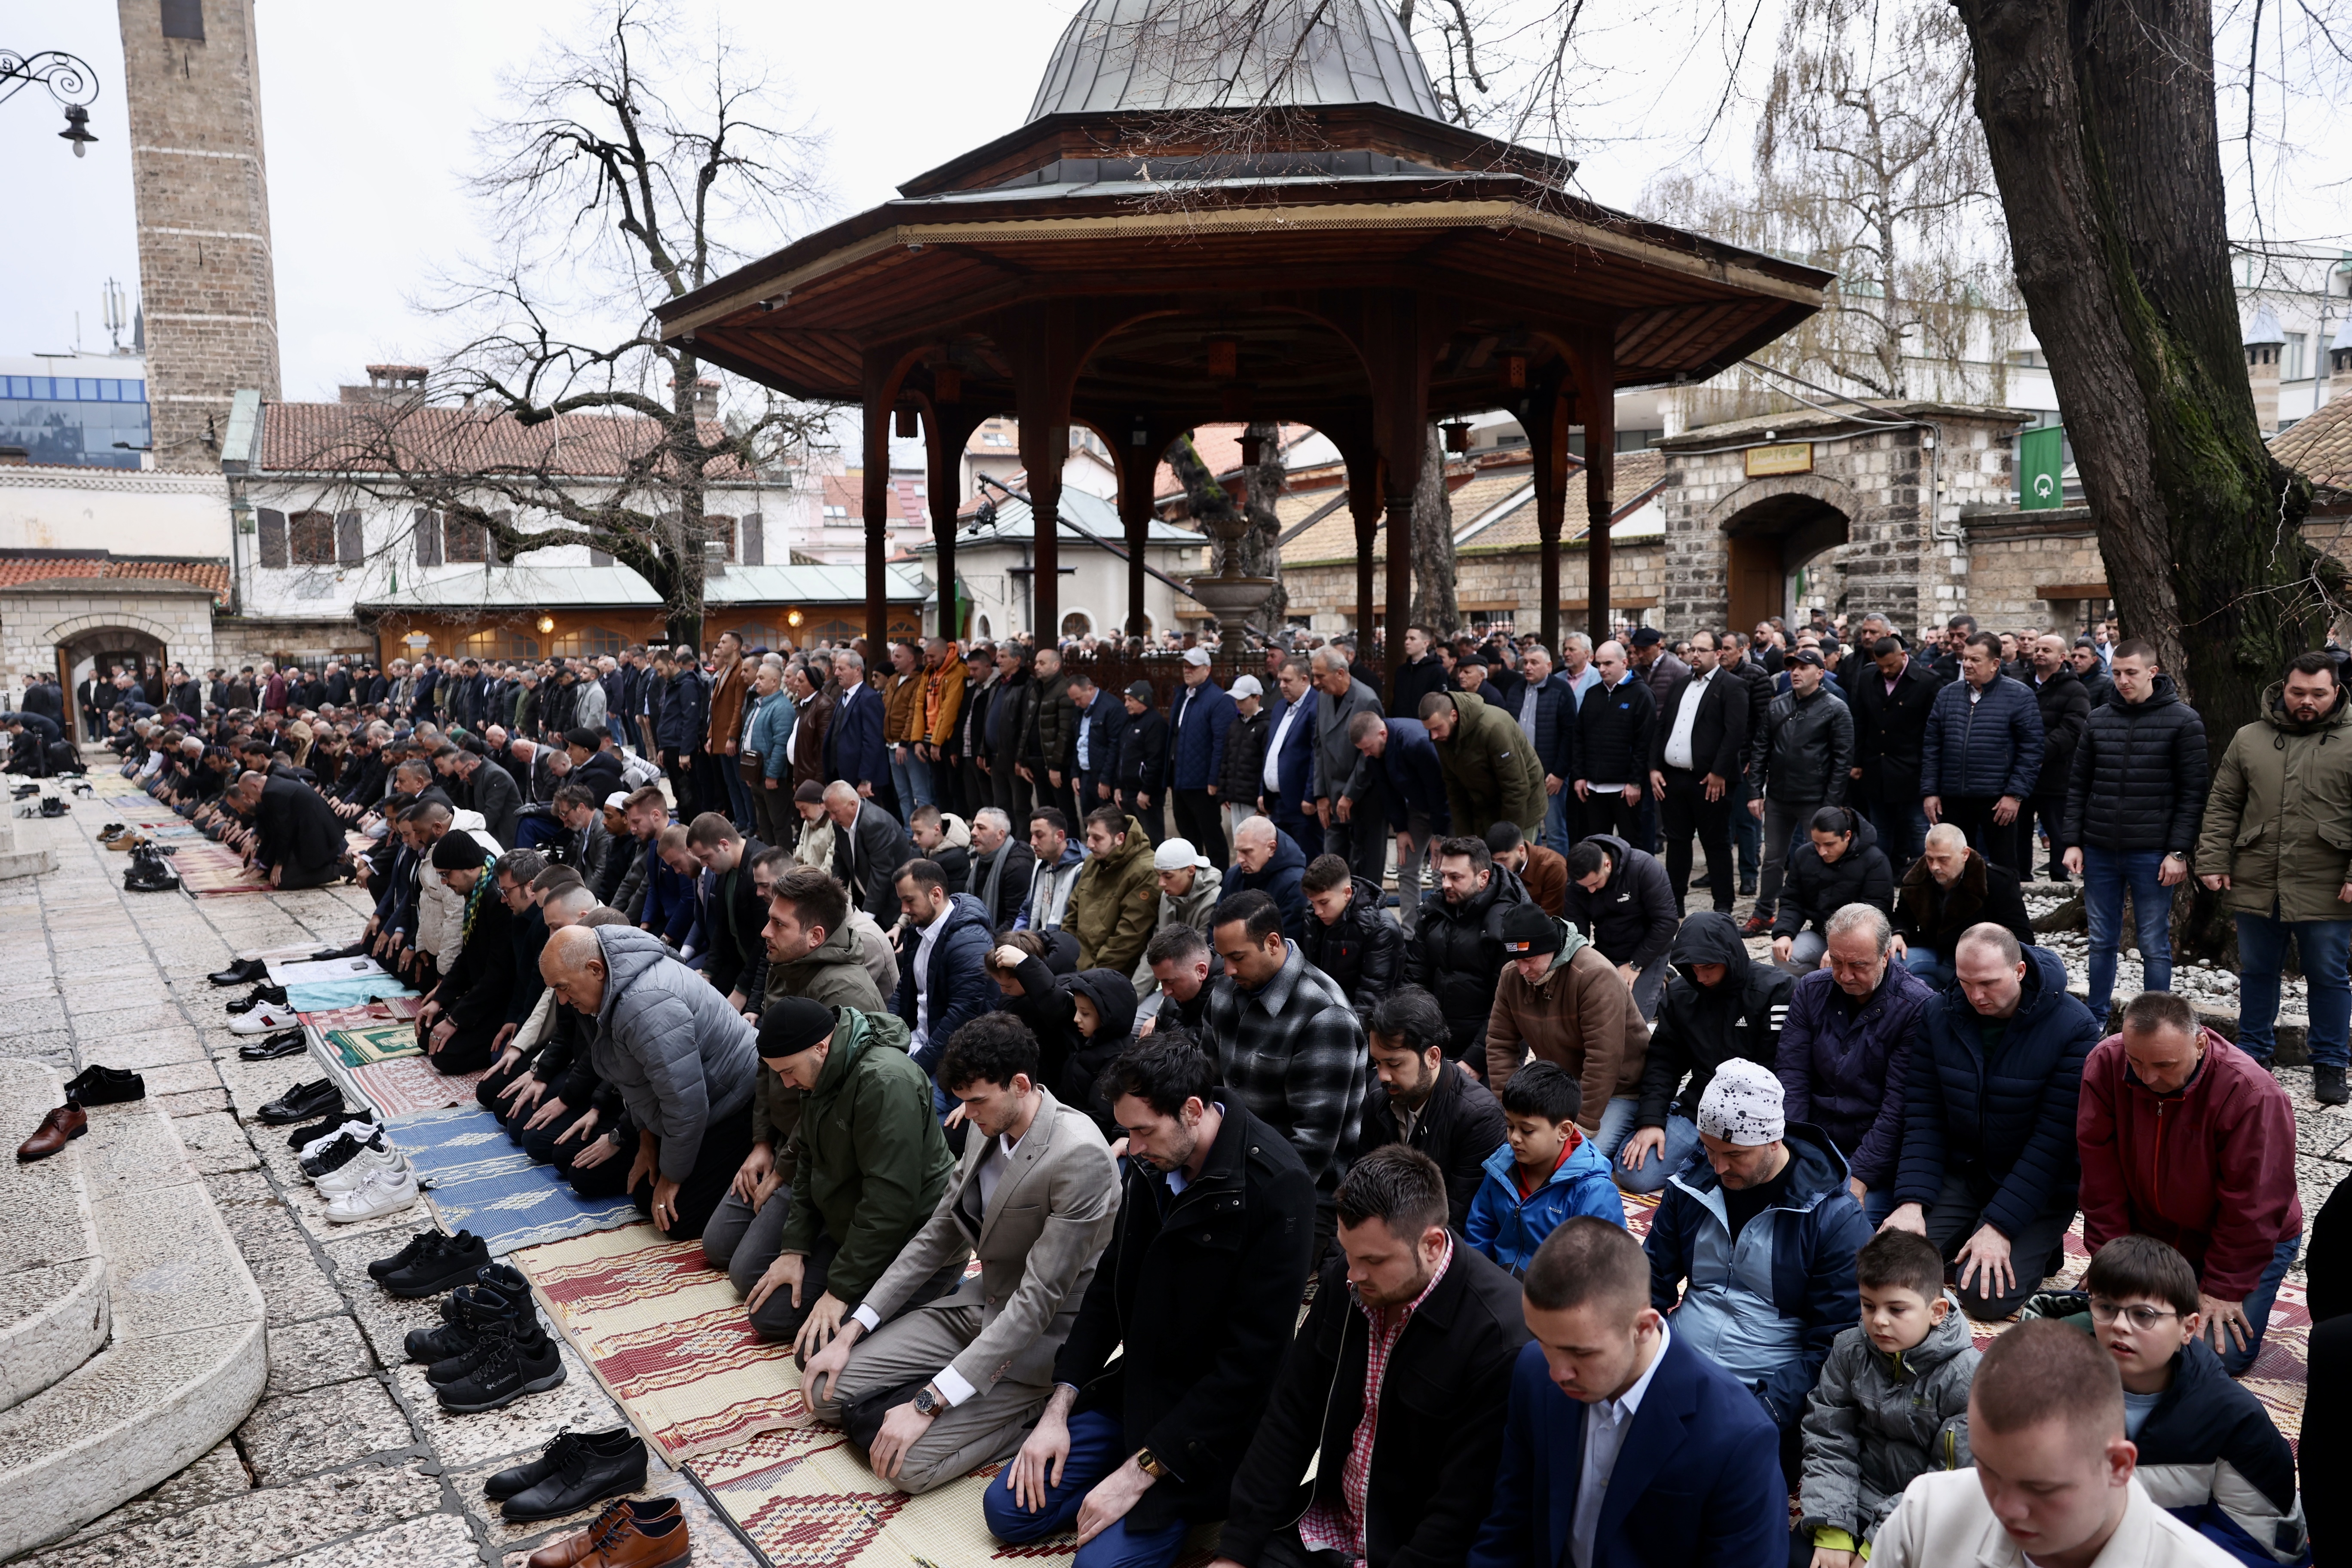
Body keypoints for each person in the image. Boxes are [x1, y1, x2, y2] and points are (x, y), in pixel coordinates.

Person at [987, 1035, 1315, 1568]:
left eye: (1144, 1131)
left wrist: (1141, 1470)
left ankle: (1164, 1503)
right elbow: (1108, 1285)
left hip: (1207, 1428)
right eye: (1127, 1132)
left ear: (1191, 1111)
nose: (1133, 1148)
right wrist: (1059, 1406)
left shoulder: (1278, 1187)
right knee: (1008, 1511)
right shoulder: (1153, 1163)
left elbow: (1250, 1367)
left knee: (1096, 1567)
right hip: (1136, 1388)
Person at [799, 1013, 1119, 1496]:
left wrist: (928, 1402)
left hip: (1038, 1339)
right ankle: (954, 1386)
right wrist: (854, 1328)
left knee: (904, 1468)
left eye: (976, 1101)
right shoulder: (983, 1125)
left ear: (1020, 1084)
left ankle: (1031, 1411)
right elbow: (938, 1235)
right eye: (963, 1101)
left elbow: (1037, 1301)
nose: (967, 1113)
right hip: (979, 1303)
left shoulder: (1081, 1156)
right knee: (824, 1391)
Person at [1213, 1146, 1529, 1568]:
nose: (1352, 1274)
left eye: (1373, 1261)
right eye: (1348, 1253)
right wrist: (1236, 1548)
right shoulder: (1348, 1286)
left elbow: (1461, 1509)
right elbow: (1290, 1417)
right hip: (1324, 1530)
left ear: (1432, 1244)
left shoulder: (1498, 1339)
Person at [1468, 1216, 1788, 1568]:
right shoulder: (1534, 1373)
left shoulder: (1737, 1437)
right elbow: (1509, 1525)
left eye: (1582, 1352)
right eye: (1544, 1342)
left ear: (1643, 1327)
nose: (1557, 1372)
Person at [1869, 1319, 2237, 1568]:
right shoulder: (1926, 1513)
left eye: (2040, 1487)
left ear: (2119, 1466)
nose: (2006, 1509)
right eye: (1986, 1468)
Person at [703, 997, 960, 1345]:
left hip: (913, 1238)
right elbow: (809, 1162)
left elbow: (890, 1202)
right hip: (855, 1222)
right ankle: (862, 1285)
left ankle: (937, 1297)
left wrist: (838, 1291)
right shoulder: (820, 1073)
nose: (788, 1084)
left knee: (814, 1355)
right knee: (768, 1313)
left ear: (822, 1047)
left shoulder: (885, 1082)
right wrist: (794, 1248)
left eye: (789, 1072)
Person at [1644, 1058, 1869, 1455]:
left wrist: (1765, 1410)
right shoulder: (1691, 1183)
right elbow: (1651, 1278)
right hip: (1677, 1364)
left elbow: (1836, 1343)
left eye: (1734, 1154)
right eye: (1709, 1149)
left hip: (1766, 1393)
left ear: (1773, 1141)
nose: (1718, 1166)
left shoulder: (1833, 1219)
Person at [2076, 991, 2303, 1376]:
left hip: (2239, 1240)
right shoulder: (2106, 1062)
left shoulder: (2252, 1093)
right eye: (2137, 1062)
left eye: (2164, 1065)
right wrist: (2110, 1256)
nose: (2148, 1079)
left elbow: (2254, 1206)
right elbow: (2100, 1178)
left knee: (2216, 1355)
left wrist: (2222, 1288)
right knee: (2094, 1325)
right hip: (2150, 1231)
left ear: (2200, 1044)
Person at [1886, 924, 2100, 1320]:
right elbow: (1924, 1115)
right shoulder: (1940, 1013)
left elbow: (2053, 1144)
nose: (1976, 996)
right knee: (1892, 1269)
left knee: (1983, 1297)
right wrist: (1911, 1202)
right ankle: (1986, 1230)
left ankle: (2031, 1243)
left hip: (2039, 1184)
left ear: (2019, 971)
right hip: (1966, 1171)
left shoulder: (2075, 1027)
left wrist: (1999, 1226)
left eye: (1988, 983)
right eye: (1966, 983)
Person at [2051, 1235, 2308, 1563]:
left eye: (2143, 1315)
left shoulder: (2234, 1418)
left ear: (2188, 1329)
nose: (2119, 1325)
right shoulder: (2047, 1383)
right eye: (2106, 1308)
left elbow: (2256, 1541)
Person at [2197, 650, 2352, 1102]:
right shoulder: (2250, 739)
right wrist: (2212, 859)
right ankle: (2252, 1057)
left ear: (2336, 691)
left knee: (2328, 974)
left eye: (2318, 694)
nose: (2307, 701)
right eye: (2298, 692)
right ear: (2282, 689)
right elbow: (2224, 803)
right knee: (2258, 972)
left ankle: (2330, 1064)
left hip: (2328, 884)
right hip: (2259, 877)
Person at [540, 924, 758, 1240]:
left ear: (595, 969)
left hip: (736, 1102)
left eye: (563, 987)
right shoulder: (610, 986)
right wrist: (646, 1141)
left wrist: (672, 1176)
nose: (561, 1000)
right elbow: (636, 1079)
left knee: (674, 1217)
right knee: (596, 1177)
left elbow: (687, 1104)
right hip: (687, 1106)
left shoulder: (644, 1003)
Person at [1202, 890, 1373, 1263]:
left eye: (1238, 958)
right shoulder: (1225, 992)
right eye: (1222, 958)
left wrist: (1236, 1196)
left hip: (1303, 1193)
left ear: (1273, 943)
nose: (1228, 970)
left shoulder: (1325, 1015)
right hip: (1231, 1169)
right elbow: (1205, 1088)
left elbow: (1311, 1148)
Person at [1797, 1226, 1979, 1565]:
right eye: (1868, 1305)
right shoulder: (1849, 1351)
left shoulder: (1968, 1380)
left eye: (1896, 1310)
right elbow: (1827, 1437)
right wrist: (1833, 1529)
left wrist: (1878, 1546)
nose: (1878, 1321)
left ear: (1937, 1311)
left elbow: (1947, 1483)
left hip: (1923, 1519)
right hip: (1855, 1497)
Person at [2061, 639, 2209, 1027]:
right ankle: (2095, 1020)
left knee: (2154, 944)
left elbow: (2193, 793)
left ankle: (2156, 1024)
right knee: (2101, 941)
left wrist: (2179, 851)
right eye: (2117, 673)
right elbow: (2078, 784)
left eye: (2131, 673)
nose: (2123, 681)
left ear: (2152, 673)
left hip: (2152, 850)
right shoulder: (2099, 718)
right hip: (2100, 848)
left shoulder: (2183, 721)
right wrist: (2073, 841)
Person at [1616, 910, 1795, 1196]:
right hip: (1699, 1108)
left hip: (1754, 1117)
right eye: (1693, 968)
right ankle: (1705, 1163)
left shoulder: (1776, 989)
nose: (1701, 976)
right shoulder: (1681, 993)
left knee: (1757, 1181)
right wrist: (1651, 1121)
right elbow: (1664, 1060)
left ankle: (1710, 1167)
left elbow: (1781, 1070)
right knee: (1635, 1173)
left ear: (1730, 956)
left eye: (1709, 966)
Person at [1776, 903, 1932, 1227]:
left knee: (1839, 1225)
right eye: (1836, 962)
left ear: (1886, 956)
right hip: (1818, 1137)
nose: (1845, 976)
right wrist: (1794, 1152)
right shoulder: (1811, 989)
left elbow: (1898, 1108)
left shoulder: (1917, 1007)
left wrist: (1860, 1177)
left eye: (1859, 965)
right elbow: (1792, 1077)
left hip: (1878, 1153)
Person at [1484, 896, 1649, 1159]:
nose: (1523, 969)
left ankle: (1633, 1126)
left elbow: (1604, 1059)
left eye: (1530, 959)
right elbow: (1499, 1044)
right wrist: (1511, 1111)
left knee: (1572, 1159)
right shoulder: (1512, 976)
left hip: (1619, 1089)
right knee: (1510, 1148)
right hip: (1560, 1087)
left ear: (1551, 948)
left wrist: (1581, 1125)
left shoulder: (1595, 975)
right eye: (1517, 959)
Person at [1359, 985, 1507, 1231]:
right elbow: (1361, 1190)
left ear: (1433, 1057)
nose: (1383, 1075)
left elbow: (1459, 1220)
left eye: (1394, 1063)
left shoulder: (1479, 1117)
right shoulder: (1379, 1101)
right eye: (1377, 1063)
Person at [1465, 1060, 1625, 1274]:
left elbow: (1602, 1269)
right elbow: (1481, 1228)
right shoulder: (1501, 1166)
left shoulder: (1592, 1191)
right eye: (1510, 1126)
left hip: (1553, 1300)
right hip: (1498, 1285)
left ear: (1564, 1131)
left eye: (1528, 1130)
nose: (1515, 1138)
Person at [1748, 647, 1855, 937]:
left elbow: (1843, 759)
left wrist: (1830, 806)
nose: (1795, 672)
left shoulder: (1836, 708)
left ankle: (1821, 917)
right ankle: (1764, 913)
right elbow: (1761, 749)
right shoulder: (1778, 705)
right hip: (1779, 797)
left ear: (1820, 673)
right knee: (1772, 858)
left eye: (1803, 668)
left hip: (1815, 799)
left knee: (1820, 859)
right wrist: (1755, 791)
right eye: (1792, 668)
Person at [1920, 631, 2046, 879]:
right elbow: (1932, 746)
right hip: (1954, 797)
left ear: (1995, 664)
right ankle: (1962, 916)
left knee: (2004, 868)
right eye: (1966, 659)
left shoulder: (2019, 696)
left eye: (1975, 660)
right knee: (1955, 866)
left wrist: (2015, 794)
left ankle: (2006, 917)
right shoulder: (1948, 695)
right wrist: (1930, 792)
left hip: (1998, 800)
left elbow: (2032, 749)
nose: (1967, 664)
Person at [1402, 833, 1531, 1065]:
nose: (1445, 885)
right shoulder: (1432, 912)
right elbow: (1415, 981)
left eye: (1455, 877)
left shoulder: (1510, 922)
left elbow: (1509, 1004)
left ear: (1483, 878)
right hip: (1436, 1043)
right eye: (1443, 876)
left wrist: (1473, 1061)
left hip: (1493, 1049)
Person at [1648, 630, 1748, 913]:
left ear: (1718, 654)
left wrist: (1719, 772)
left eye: (1702, 650)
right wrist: (1654, 767)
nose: (1695, 655)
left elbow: (1734, 735)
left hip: (1709, 780)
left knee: (1716, 844)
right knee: (1677, 843)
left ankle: (1723, 905)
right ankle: (1675, 902)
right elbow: (1663, 727)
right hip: (1674, 778)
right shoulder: (1681, 685)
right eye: (1692, 649)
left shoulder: (1732, 686)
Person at [889, 859, 998, 1084]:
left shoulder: (969, 944)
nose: (904, 910)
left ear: (936, 895)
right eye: (901, 901)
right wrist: (887, 1036)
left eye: (909, 900)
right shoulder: (917, 931)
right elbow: (904, 989)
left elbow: (959, 1021)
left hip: (953, 1064)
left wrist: (915, 1070)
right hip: (917, 1045)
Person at [1892, 823, 2036, 988]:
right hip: (1934, 953)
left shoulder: (1996, 882)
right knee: (1894, 963)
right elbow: (1903, 916)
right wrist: (1898, 934)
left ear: (1965, 854)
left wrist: (1991, 958)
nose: (1935, 867)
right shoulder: (1915, 876)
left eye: (1943, 860)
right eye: (1930, 859)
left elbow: (2022, 936)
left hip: (1979, 965)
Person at [1561, 833, 1680, 1021]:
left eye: (1594, 883)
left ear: (1607, 865)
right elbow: (1576, 932)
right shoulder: (1578, 884)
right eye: (1586, 887)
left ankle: (1662, 982)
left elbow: (1667, 922)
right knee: (1585, 1012)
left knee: (1630, 1021)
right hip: (1607, 949)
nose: (1591, 890)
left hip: (1648, 950)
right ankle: (1659, 986)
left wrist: (1635, 965)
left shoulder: (1644, 868)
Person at [1850, 633, 1943, 868]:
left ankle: (1924, 878)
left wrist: (1929, 772)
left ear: (1903, 656)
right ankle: (1879, 877)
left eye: (1891, 665)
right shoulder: (1867, 677)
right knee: (1879, 829)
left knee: (1916, 828)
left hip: (1912, 770)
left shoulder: (1927, 681)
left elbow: (1933, 732)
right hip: (1876, 768)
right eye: (1881, 666)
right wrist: (1857, 762)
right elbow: (1860, 722)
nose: (1885, 671)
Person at [1351, 710, 1450, 931]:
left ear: (1383, 734)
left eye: (1368, 748)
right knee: (1406, 867)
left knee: (1440, 869)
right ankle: (1410, 932)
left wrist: (1440, 835)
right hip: (1416, 808)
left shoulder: (1416, 742)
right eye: (1362, 750)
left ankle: (1440, 929)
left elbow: (1439, 791)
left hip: (1445, 810)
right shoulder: (1375, 753)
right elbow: (1388, 791)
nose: (1366, 754)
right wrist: (1402, 829)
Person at [1771, 805, 1895, 971]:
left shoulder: (1875, 861)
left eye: (1829, 844)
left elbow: (1876, 912)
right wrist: (1784, 933)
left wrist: (1841, 948)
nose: (1822, 852)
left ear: (1847, 836)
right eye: (1816, 844)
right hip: (1821, 934)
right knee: (1783, 955)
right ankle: (1814, 991)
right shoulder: (1804, 855)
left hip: (1861, 941)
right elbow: (1793, 900)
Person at [1419, 686, 1546, 844]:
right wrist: (1465, 840)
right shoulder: (1442, 737)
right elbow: (1454, 789)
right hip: (1485, 803)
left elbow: (1516, 788)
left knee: (1511, 860)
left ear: (1454, 716)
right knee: (1478, 858)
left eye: (1437, 728)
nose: (1433, 736)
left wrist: (1507, 840)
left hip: (1523, 802)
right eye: (1429, 730)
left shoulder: (1494, 728)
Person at [2021, 633, 2093, 882]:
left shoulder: (2075, 690)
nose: (2039, 653)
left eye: (2046, 650)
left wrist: (2038, 753)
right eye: (2037, 649)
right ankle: (2021, 876)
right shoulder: (2021, 682)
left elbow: (2073, 728)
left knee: (2057, 829)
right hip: (2022, 773)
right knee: (2019, 829)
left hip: (2056, 773)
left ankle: (2059, 878)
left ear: (2062, 657)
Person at [1292, 851, 1403, 1006]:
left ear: (1347, 893)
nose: (1318, 911)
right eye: (1313, 903)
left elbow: (1372, 998)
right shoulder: (1313, 919)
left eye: (1324, 902)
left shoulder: (1380, 929)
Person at [687, 812, 772, 1011]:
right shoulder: (724, 870)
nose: (704, 866)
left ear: (724, 844)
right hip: (739, 964)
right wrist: (709, 970)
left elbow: (765, 942)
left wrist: (742, 989)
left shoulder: (760, 870)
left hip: (762, 974)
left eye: (706, 857)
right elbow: (723, 927)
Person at [1574, 640, 1654, 842]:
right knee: (1597, 847)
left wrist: (1635, 782)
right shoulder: (1593, 694)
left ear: (1624, 662)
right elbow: (1580, 737)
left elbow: (1644, 743)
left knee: (1632, 845)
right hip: (1593, 786)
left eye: (1608, 663)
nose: (1602, 669)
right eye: (1598, 664)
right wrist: (1579, 775)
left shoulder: (1641, 694)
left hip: (1625, 789)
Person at [1066, 807, 1159, 978]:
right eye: (1089, 836)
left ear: (1120, 838)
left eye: (1097, 838)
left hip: (1112, 974)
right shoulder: (1092, 861)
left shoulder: (1145, 871)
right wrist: (1066, 961)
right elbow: (1071, 915)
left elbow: (1127, 938)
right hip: (1076, 966)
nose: (1089, 844)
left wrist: (1090, 977)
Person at [1163, 649, 1236, 864]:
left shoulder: (1218, 700)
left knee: (1212, 837)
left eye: (1193, 667)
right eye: (1185, 666)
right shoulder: (1183, 696)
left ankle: (1220, 883)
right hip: (1181, 780)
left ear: (1207, 670)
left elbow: (1221, 744)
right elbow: (1175, 737)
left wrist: (1214, 780)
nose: (1187, 671)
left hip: (1203, 784)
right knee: (1188, 837)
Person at [1130, 837, 1223, 998]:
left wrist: (1162, 1011)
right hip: (1167, 981)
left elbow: (1198, 961)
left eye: (1168, 876)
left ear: (1191, 870)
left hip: (1195, 989)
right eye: (1159, 875)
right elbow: (1154, 951)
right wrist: (1132, 997)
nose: (1161, 883)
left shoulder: (1214, 900)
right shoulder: (1167, 897)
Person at [231, 769, 353, 889]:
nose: (247, 798)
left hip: (319, 839)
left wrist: (279, 863)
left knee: (283, 880)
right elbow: (271, 832)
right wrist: (259, 863)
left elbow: (283, 832)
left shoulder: (271, 794)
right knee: (268, 871)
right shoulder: (271, 785)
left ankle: (340, 869)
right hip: (308, 834)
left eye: (246, 793)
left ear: (254, 786)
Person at [1257, 658, 1321, 857]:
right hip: (1277, 802)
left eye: (1287, 680)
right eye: (1280, 680)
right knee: (1281, 858)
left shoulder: (1316, 706)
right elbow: (1271, 752)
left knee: (1308, 859)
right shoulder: (1280, 708)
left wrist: (1311, 796)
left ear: (1304, 680)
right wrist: (1263, 790)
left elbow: (1316, 756)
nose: (1282, 685)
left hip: (1301, 803)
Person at [826, 778, 914, 918]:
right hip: (865, 898)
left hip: (893, 905)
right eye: (829, 812)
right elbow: (840, 862)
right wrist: (835, 900)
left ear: (852, 805)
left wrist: (868, 917)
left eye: (835, 812)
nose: (832, 818)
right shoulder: (840, 823)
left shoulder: (876, 824)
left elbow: (882, 872)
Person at [1225, 814, 1309, 941]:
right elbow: (1218, 923)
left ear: (1271, 848)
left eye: (1247, 851)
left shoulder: (1295, 885)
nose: (1239, 860)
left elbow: (1285, 943)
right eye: (1238, 851)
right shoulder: (1234, 875)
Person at [1113, 680, 1169, 847]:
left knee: (1151, 839)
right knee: (1130, 841)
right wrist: (1118, 786)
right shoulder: (1129, 722)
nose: (1126, 704)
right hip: (1127, 792)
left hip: (1145, 795)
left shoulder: (1155, 723)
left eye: (1131, 700)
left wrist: (1146, 790)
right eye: (1126, 699)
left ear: (1143, 700)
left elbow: (1156, 760)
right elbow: (1121, 755)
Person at [967, 805, 1038, 932]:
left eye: (981, 828)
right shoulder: (984, 857)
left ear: (1000, 834)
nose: (973, 832)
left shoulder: (1018, 866)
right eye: (974, 826)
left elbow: (1015, 922)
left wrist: (983, 943)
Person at [1020, 807, 1088, 936]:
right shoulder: (1040, 864)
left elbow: (1078, 926)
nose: (1033, 842)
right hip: (1038, 944)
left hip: (1061, 949)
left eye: (1039, 835)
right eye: (1032, 835)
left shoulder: (1081, 869)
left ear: (1060, 836)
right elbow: (1026, 911)